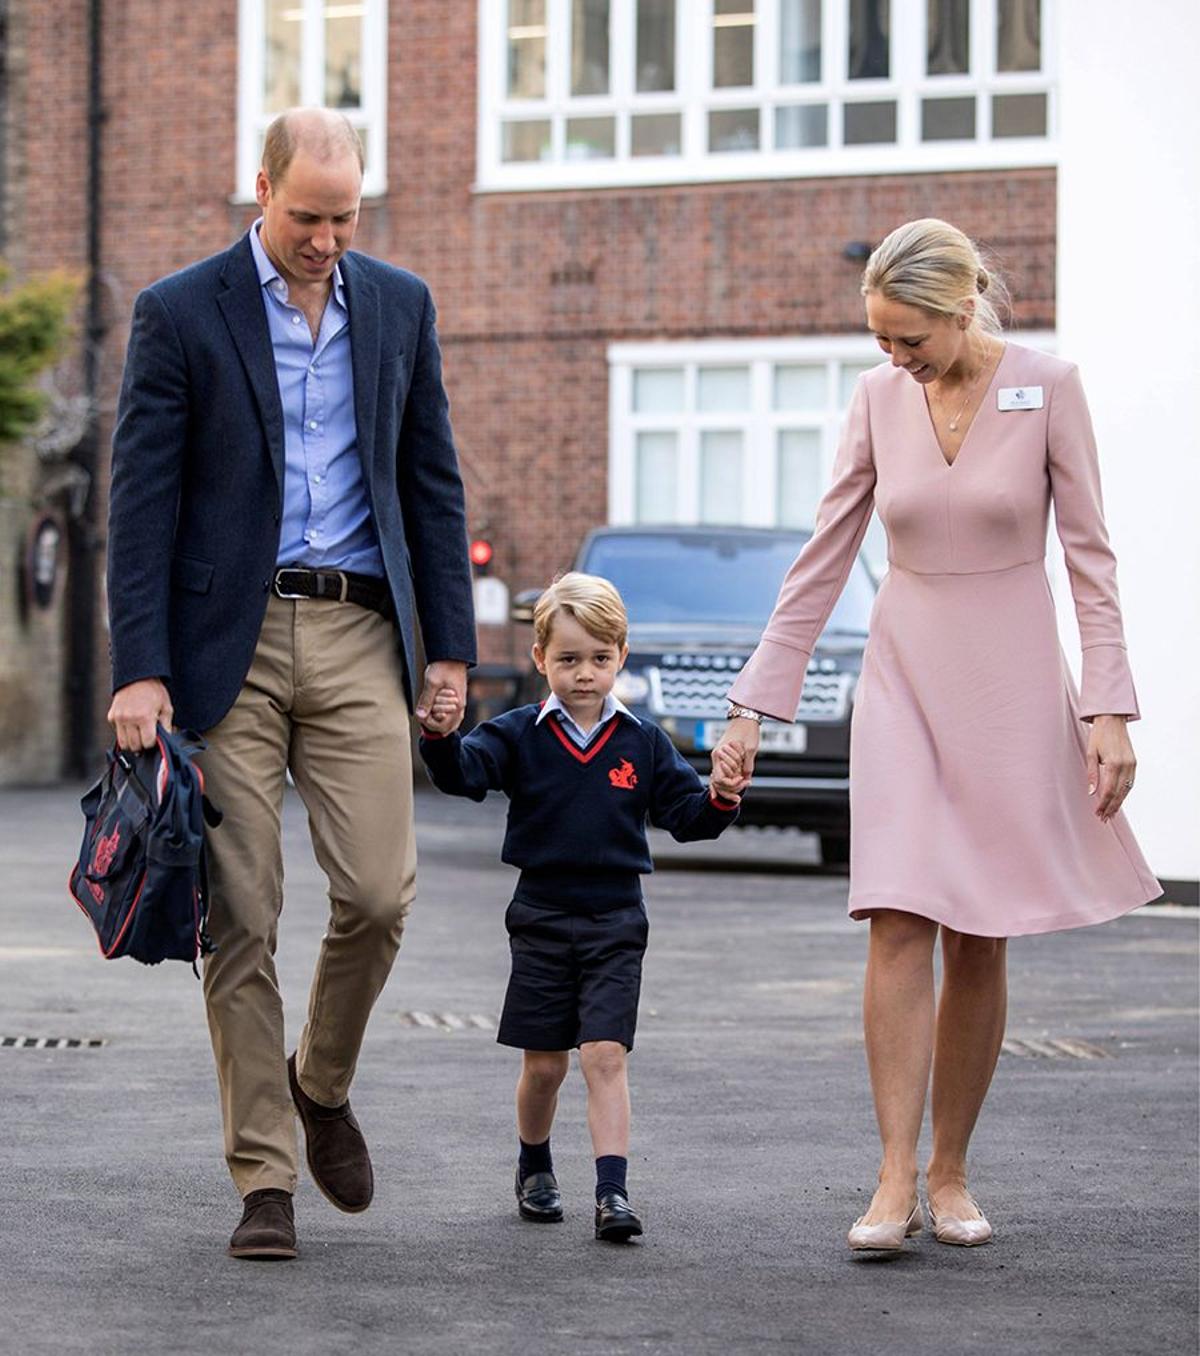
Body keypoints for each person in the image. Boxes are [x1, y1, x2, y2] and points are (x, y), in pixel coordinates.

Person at [715, 218, 1160, 1253]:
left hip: (1007, 679)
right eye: (881, 339)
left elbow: (1091, 560)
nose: (894, 359)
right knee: (897, 915)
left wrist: (1109, 709)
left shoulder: (1049, 386)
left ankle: (951, 1173)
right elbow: (823, 558)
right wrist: (753, 704)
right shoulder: (878, 400)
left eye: (908, 338)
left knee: (979, 926)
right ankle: (888, 1179)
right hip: (904, 677)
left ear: (963, 309)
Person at [105, 108, 476, 1260]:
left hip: (365, 630)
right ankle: (265, 1177)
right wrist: (141, 669)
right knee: (244, 913)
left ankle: (320, 1081)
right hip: (233, 642)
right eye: (306, 216)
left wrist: (451, 651)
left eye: (344, 217)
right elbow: (141, 503)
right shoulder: (180, 311)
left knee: (377, 893)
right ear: (259, 189)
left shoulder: (400, 305)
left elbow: (433, 481)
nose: (325, 238)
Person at [418, 573, 744, 1242]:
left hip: (617, 919)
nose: (585, 674)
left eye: (599, 658)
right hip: (540, 916)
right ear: (540, 659)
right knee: (546, 1064)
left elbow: (688, 816)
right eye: (568, 660)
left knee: (604, 1053)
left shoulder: (642, 742)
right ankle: (534, 1163)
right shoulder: (518, 735)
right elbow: (464, 775)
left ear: (621, 655)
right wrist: (442, 737)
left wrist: (723, 794)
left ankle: (612, 1193)